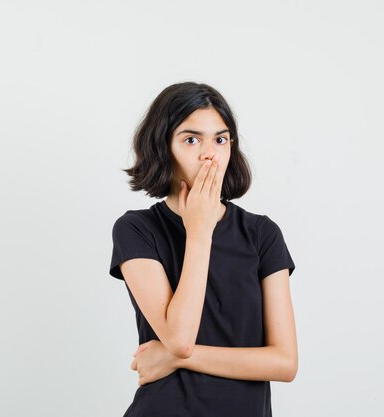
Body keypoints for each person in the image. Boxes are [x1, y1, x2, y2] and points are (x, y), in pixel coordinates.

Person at [109, 81, 297, 417]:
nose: (209, 153)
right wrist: (198, 232)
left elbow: (284, 363)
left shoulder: (261, 234)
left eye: (220, 139)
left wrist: (171, 357)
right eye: (191, 139)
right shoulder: (137, 230)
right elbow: (179, 338)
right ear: (163, 147)